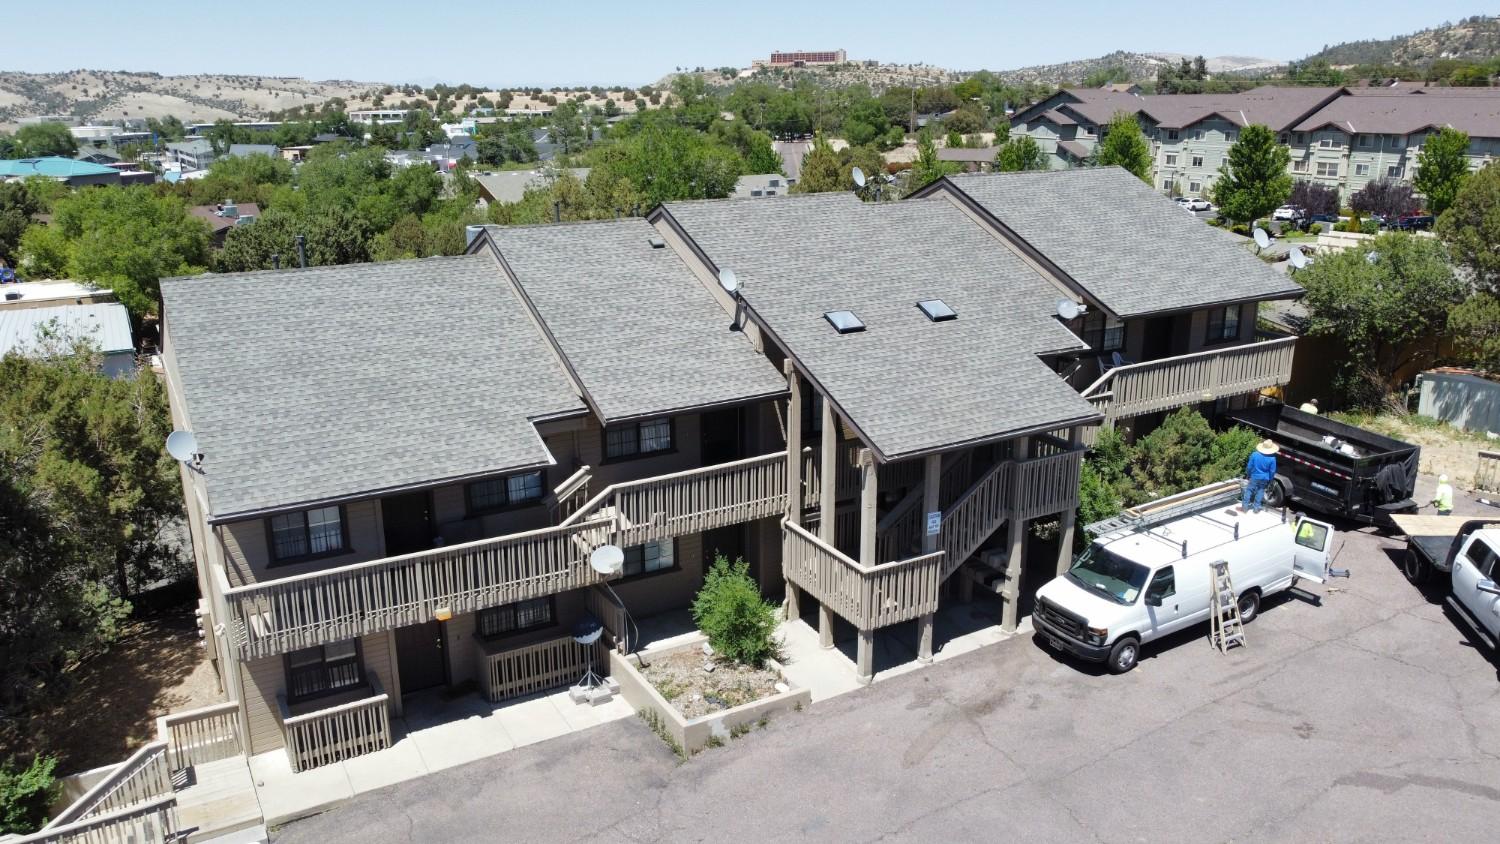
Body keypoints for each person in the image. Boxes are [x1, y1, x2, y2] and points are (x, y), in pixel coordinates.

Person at [1242, 439, 1279, 512]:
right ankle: (1256, 508)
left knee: (1249, 490)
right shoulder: (1272, 459)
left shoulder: (1254, 454)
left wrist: (1248, 475)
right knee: (1260, 491)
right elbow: (1272, 471)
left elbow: (1249, 466)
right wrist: (1270, 479)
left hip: (1254, 476)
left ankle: (1245, 507)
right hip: (1265, 478)